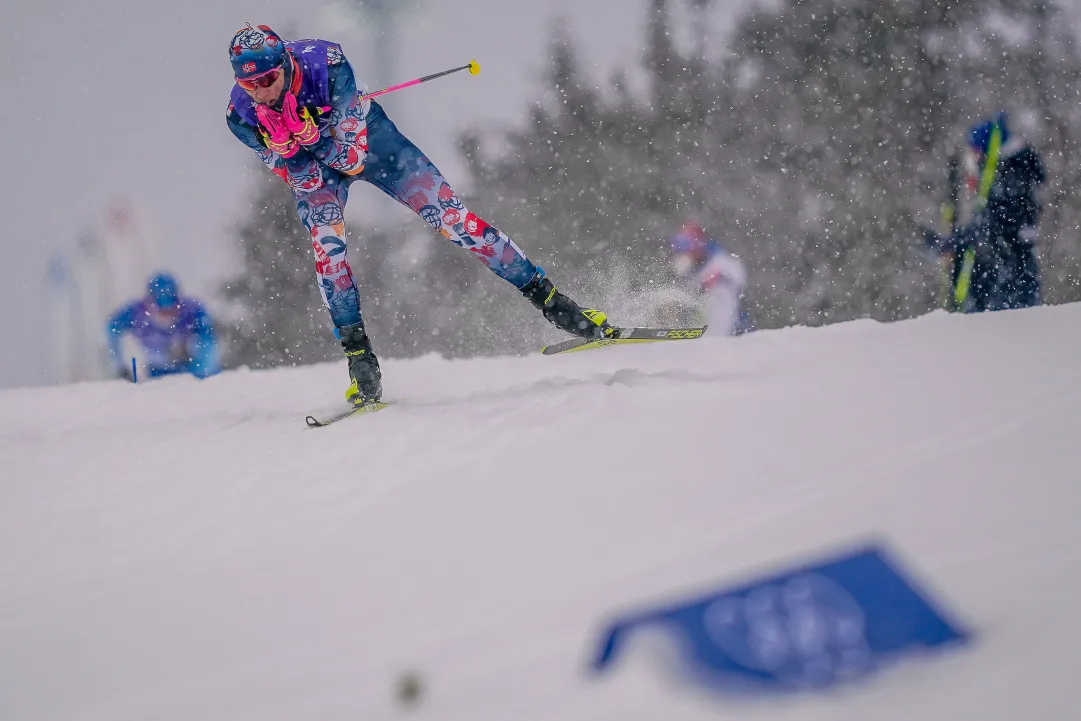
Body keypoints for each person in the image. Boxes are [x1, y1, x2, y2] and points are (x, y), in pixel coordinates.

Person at [224, 24, 614, 407]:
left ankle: (555, 304)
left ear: (287, 64)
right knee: (329, 253)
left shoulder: (326, 64)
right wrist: (289, 149)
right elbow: (303, 179)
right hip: (317, 170)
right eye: (249, 84)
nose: (260, 91)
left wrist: (311, 138)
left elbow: (351, 157)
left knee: (453, 220)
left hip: (371, 143)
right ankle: (360, 359)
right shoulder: (241, 116)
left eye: (268, 78)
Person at [926, 112, 1044, 312]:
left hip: (1008, 289)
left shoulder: (1011, 178)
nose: (973, 159)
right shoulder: (1011, 175)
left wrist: (951, 243)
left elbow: (990, 228)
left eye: (976, 151)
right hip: (1007, 285)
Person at [106, 272, 221, 380]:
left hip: (189, 366)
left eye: (171, 309)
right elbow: (112, 329)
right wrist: (120, 365)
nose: (166, 315)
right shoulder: (135, 313)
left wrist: (201, 370)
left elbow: (208, 340)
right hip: (155, 371)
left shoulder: (193, 311)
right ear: (149, 304)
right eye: (160, 310)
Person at [666, 222, 752, 335]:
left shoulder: (717, 258)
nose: (683, 255)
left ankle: (715, 336)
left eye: (687, 247)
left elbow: (738, 274)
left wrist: (718, 276)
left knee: (718, 292)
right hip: (697, 319)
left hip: (733, 327)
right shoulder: (689, 270)